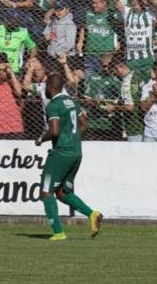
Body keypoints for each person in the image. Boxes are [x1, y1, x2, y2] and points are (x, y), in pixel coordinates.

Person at [35, 73, 102, 241]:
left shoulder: (53, 105)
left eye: (45, 87)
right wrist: (72, 138)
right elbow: (84, 124)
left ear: (50, 87)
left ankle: (58, 232)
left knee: (46, 192)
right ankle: (92, 214)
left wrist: (41, 138)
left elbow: (54, 130)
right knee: (63, 192)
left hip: (61, 153)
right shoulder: (72, 101)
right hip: (76, 151)